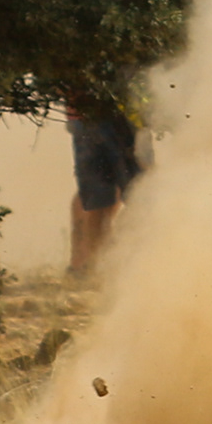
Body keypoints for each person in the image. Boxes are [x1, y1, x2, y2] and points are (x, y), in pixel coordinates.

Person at [61, 73, 142, 275]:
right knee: (138, 194)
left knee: (100, 200)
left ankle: (93, 265)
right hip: (116, 118)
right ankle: (102, 265)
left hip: (87, 118)